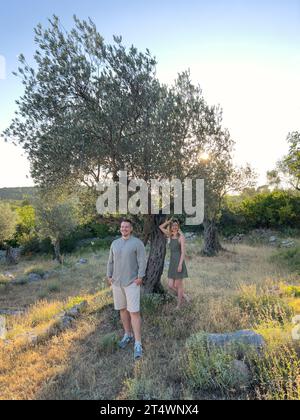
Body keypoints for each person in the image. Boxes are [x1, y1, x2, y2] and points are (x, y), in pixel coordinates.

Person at [107, 219, 147, 360]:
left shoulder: (137, 243)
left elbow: (142, 261)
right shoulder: (115, 243)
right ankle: (127, 334)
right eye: (122, 227)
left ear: (131, 229)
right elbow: (110, 261)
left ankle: (138, 343)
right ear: (120, 229)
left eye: (127, 227)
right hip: (117, 283)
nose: (124, 229)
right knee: (123, 310)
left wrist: (140, 277)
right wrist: (109, 276)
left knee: (134, 312)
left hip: (132, 283)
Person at [159, 218, 190, 309]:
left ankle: (179, 305)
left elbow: (183, 252)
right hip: (172, 262)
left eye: (176, 225)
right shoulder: (169, 235)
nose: (175, 227)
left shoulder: (181, 237)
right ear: (171, 227)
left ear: (178, 227)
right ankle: (184, 296)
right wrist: (168, 221)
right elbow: (160, 227)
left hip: (179, 262)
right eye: (173, 226)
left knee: (178, 285)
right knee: (170, 285)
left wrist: (180, 264)